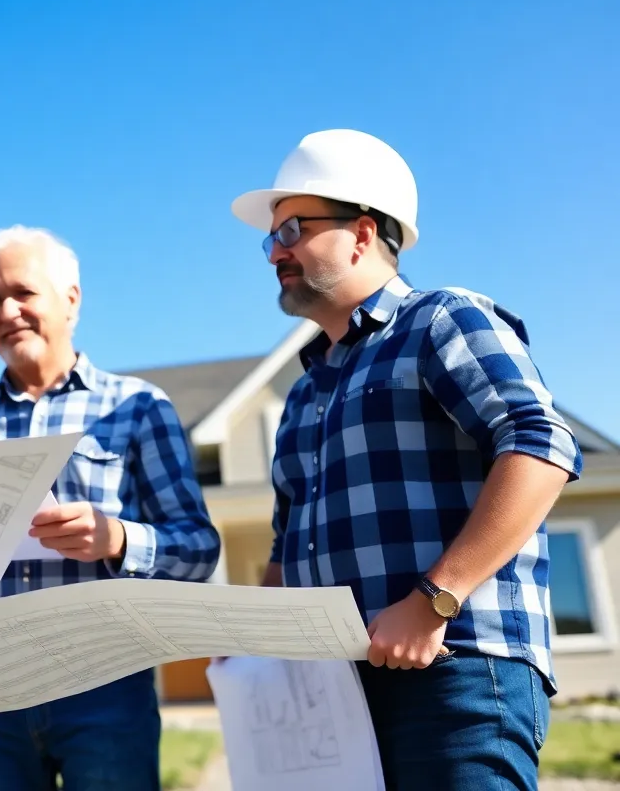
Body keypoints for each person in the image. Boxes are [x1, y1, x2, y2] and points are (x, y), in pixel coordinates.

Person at [229, 128, 583, 789]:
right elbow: (285, 549)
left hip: (453, 668)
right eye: (271, 237)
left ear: (362, 233)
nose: (275, 250)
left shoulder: (442, 319)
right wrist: (248, 643)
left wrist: (433, 600)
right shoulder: (303, 393)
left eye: (293, 229)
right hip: (332, 694)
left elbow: (540, 444)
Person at [0, 225, 222, 791]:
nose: (7, 311)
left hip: (105, 687)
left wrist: (118, 539)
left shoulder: (139, 408)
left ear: (71, 299)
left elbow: (200, 549)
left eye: (23, 292)